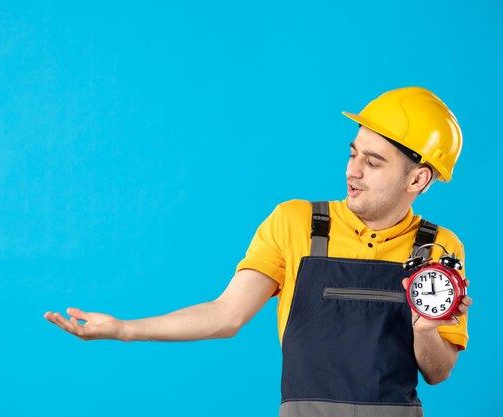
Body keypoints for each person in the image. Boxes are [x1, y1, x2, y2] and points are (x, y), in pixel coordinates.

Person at [44, 86, 472, 417]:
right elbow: (226, 315)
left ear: (417, 180)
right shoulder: (296, 223)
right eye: (353, 153)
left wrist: (425, 329)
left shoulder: (438, 249)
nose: (351, 170)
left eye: (373, 163)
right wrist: (123, 329)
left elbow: (438, 372)